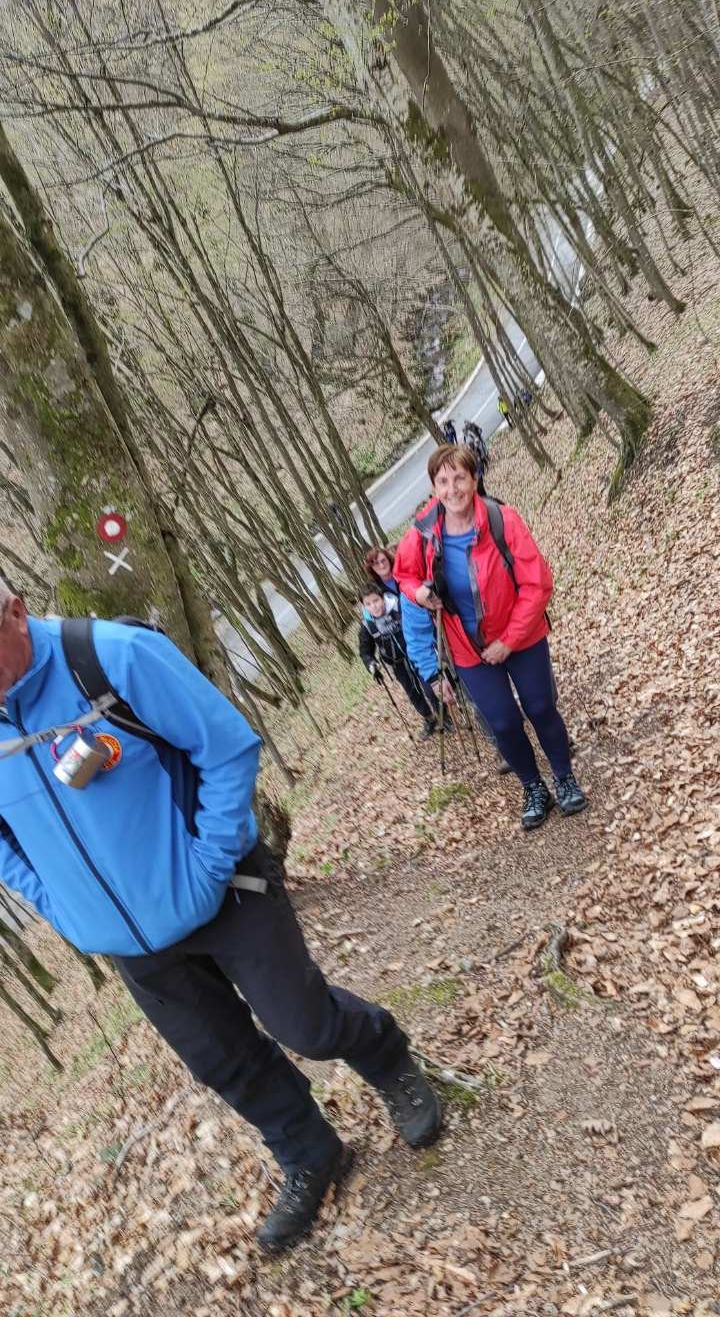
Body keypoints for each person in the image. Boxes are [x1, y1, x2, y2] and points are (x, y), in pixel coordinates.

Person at [0, 580, 442, 1251]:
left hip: (225, 889)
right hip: (129, 942)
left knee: (306, 1024)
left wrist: (208, 862)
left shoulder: (111, 657)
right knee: (223, 1061)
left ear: (16, 611)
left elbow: (228, 746)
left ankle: (389, 1059)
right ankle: (310, 1152)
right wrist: (63, 907)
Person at [394, 446, 587, 831]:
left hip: (523, 635)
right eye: (443, 481)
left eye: (460, 478)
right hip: (468, 650)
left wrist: (509, 641)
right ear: (434, 488)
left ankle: (564, 777)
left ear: (475, 478)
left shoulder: (502, 519)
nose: (453, 489)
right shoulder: (423, 534)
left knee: (541, 707)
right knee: (502, 722)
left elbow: (537, 584)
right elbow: (404, 576)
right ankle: (534, 787)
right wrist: (419, 594)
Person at [358, 584, 439, 740]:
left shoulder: (398, 607)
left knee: (429, 685)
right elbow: (365, 650)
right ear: (364, 606)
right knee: (412, 692)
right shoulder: (367, 625)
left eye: (376, 601)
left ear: (382, 598)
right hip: (396, 663)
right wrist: (371, 664)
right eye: (368, 604)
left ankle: (443, 715)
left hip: (415, 654)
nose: (374, 606)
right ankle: (429, 719)